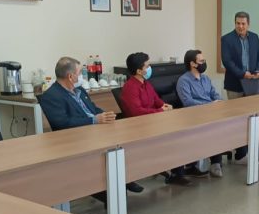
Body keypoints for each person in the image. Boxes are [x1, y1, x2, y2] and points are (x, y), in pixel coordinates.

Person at [40, 56, 143, 193]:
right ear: (70, 76)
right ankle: (117, 180)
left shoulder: (79, 90)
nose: (82, 77)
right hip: (78, 139)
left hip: (96, 131)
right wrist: (94, 120)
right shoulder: (51, 96)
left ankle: (123, 177)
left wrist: (105, 115)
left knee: (126, 137)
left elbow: (93, 108)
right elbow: (62, 123)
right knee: (114, 146)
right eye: (80, 73)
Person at [120, 52, 206, 186]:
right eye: (147, 66)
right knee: (175, 137)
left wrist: (164, 105)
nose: (150, 68)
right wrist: (160, 111)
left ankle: (188, 166)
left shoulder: (145, 83)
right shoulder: (130, 87)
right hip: (140, 127)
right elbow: (137, 112)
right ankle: (176, 174)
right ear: (138, 71)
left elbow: (156, 99)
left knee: (184, 131)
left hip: (154, 121)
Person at [221, 11, 259, 162]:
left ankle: (251, 149)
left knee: (252, 116)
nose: (240, 26)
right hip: (235, 84)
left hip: (252, 83)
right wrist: (242, 74)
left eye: (243, 24)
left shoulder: (255, 37)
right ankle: (240, 153)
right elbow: (227, 61)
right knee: (237, 120)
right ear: (235, 23)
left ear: (248, 24)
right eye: (238, 23)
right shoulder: (227, 39)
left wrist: (258, 70)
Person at [176, 49, 225, 178]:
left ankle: (218, 161)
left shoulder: (205, 78)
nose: (204, 63)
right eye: (201, 61)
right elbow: (188, 102)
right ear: (192, 64)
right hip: (194, 115)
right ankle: (216, 163)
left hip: (210, 113)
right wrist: (209, 105)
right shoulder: (183, 81)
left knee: (228, 125)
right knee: (215, 129)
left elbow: (214, 94)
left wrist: (219, 102)